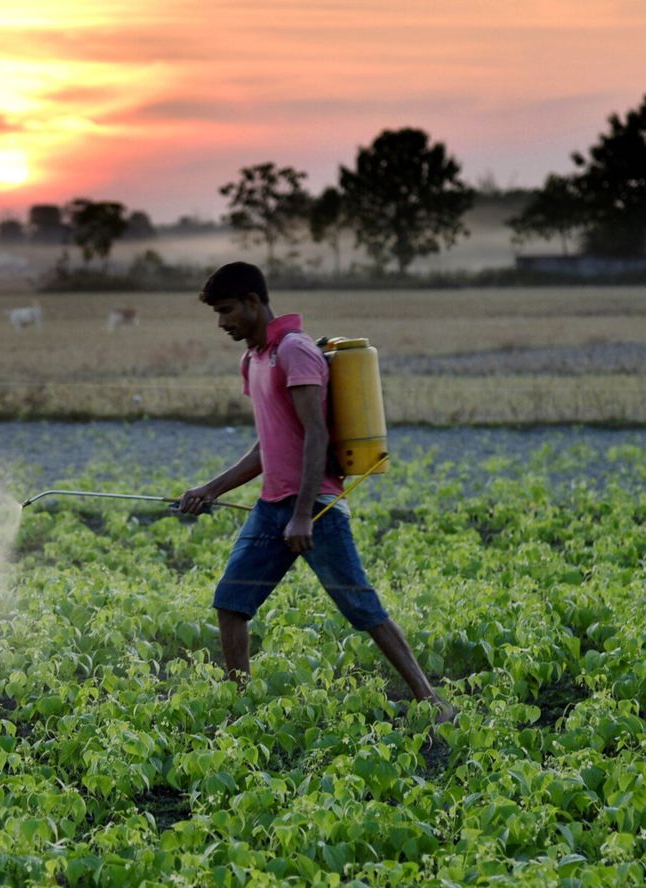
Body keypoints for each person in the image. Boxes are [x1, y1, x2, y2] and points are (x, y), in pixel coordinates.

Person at [178, 261, 456, 723]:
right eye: (217, 314)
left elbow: (316, 436)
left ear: (253, 301)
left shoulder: (296, 352)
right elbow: (268, 446)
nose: (222, 323)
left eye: (227, 310)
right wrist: (210, 488)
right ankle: (240, 708)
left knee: (363, 609)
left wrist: (303, 514)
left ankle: (432, 703)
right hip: (272, 508)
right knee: (231, 603)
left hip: (317, 509)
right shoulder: (253, 359)